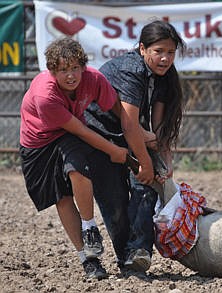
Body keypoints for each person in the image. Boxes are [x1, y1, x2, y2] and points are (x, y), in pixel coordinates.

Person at [19, 37, 129, 279]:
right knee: (62, 198)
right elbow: (80, 130)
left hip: (69, 133)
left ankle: (90, 228)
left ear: (83, 66)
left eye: (75, 68)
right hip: (38, 143)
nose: (71, 75)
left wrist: (138, 133)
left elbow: (119, 110)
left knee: (78, 170)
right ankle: (87, 259)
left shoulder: (94, 79)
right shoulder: (46, 96)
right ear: (52, 71)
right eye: (63, 70)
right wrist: (114, 150)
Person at [85, 19, 186, 273]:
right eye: (158, 51)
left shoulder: (163, 76)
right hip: (99, 135)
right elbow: (130, 125)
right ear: (142, 49)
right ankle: (126, 258)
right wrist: (146, 161)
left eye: (170, 52)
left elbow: (157, 125)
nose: (165, 58)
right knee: (115, 202)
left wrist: (163, 160)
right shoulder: (131, 70)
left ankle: (139, 251)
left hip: (130, 133)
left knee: (149, 183)